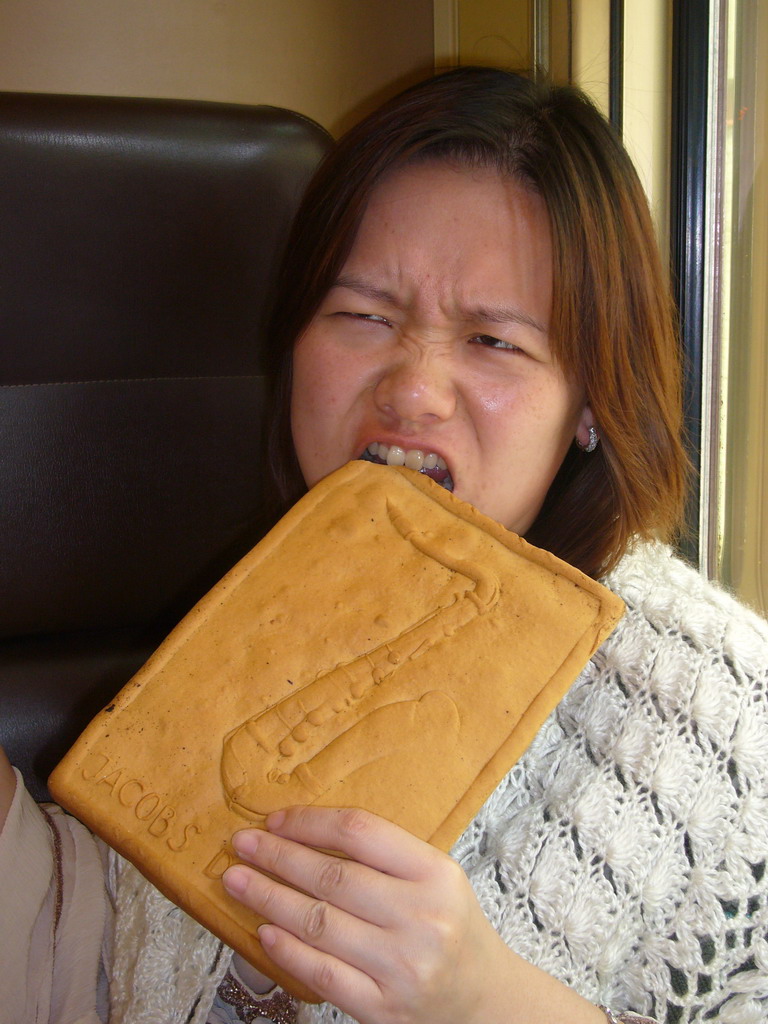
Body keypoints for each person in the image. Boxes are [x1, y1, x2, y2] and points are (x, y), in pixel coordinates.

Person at [1, 66, 767, 1024]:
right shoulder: (258, 607)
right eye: (364, 317)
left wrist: (482, 1002)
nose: (412, 387)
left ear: (589, 404)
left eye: (493, 341)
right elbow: (105, 939)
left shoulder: (726, 718)